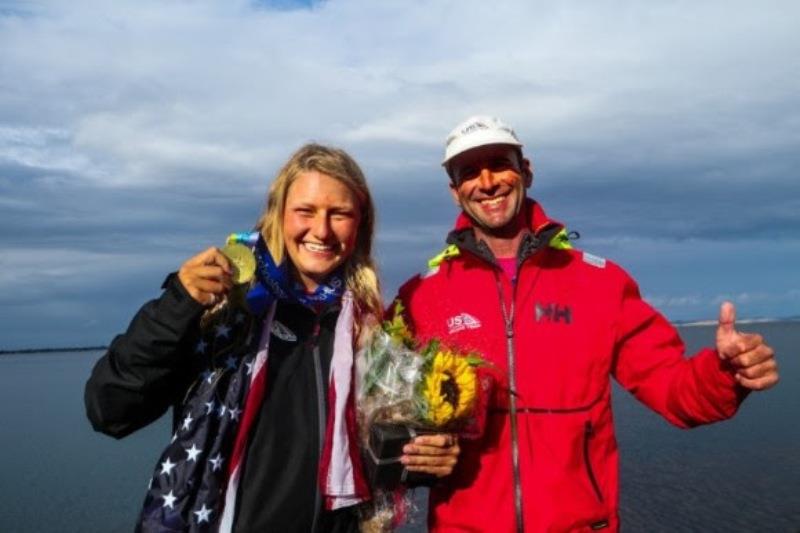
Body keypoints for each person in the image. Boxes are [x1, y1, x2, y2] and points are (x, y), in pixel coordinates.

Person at [391, 116, 779, 532]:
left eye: (499, 164)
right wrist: (412, 452)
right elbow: (378, 416)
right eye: (468, 172)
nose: (486, 183)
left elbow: (673, 389)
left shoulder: (599, 284)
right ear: (454, 192)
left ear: (526, 171)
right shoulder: (421, 297)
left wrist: (727, 373)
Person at [85, 143, 458, 533]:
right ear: (277, 215)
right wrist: (178, 304)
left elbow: (382, 452)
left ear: (360, 223)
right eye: (305, 211)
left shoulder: (370, 329)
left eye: (340, 214)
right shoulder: (224, 310)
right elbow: (110, 409)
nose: (322, 230)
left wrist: (427, 461)